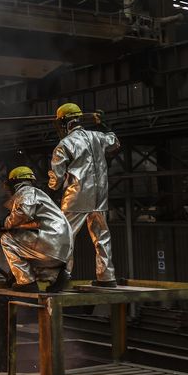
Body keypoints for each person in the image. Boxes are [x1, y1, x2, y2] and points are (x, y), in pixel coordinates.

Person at [48, 103, 120, 287]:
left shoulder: (64, 144)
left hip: (76, 198)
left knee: (65, 237)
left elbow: (55, 181)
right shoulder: (98, 137)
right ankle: (107, 277)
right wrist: (104, 124)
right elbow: (114, 141)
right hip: (100, 197)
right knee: (102, 237)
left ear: (65, 123)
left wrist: (51, 185)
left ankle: (61, 278)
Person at [0, 166, 73, 293]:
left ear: (15, 182)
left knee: (7, 238)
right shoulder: (41, 197)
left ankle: (26, 282)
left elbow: (24, 212)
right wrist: (13, 272)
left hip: (50, 242)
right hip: (60, 250)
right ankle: (56, 276)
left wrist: (4, 223)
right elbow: (34, 224)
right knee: (27, 250)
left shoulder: (26, 191)